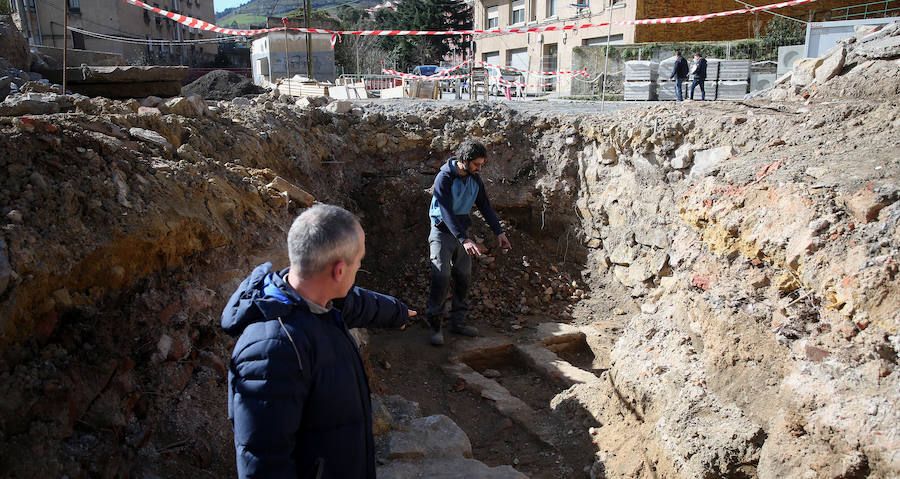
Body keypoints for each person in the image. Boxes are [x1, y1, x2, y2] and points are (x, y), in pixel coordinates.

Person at [221, 204, 416, 479]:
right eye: (359, 262)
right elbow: (264, 464)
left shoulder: (314, 296)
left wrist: (397, 312)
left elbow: (356, 302)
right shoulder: (272, 352)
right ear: (339, 271)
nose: (359, 267)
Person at [426, 139, 511, 346]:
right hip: (442, 232)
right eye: (476, 164)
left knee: (464, 276)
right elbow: (445, 212)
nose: (479, 169)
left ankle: (458, 322)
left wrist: (499, 232)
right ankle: (434, 326)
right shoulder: (444, 178)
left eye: (482, 164)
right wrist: (464, 239)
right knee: (441, 276)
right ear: (464, 161)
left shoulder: (475, 179)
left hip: (463, 233)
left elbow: (485, 206)